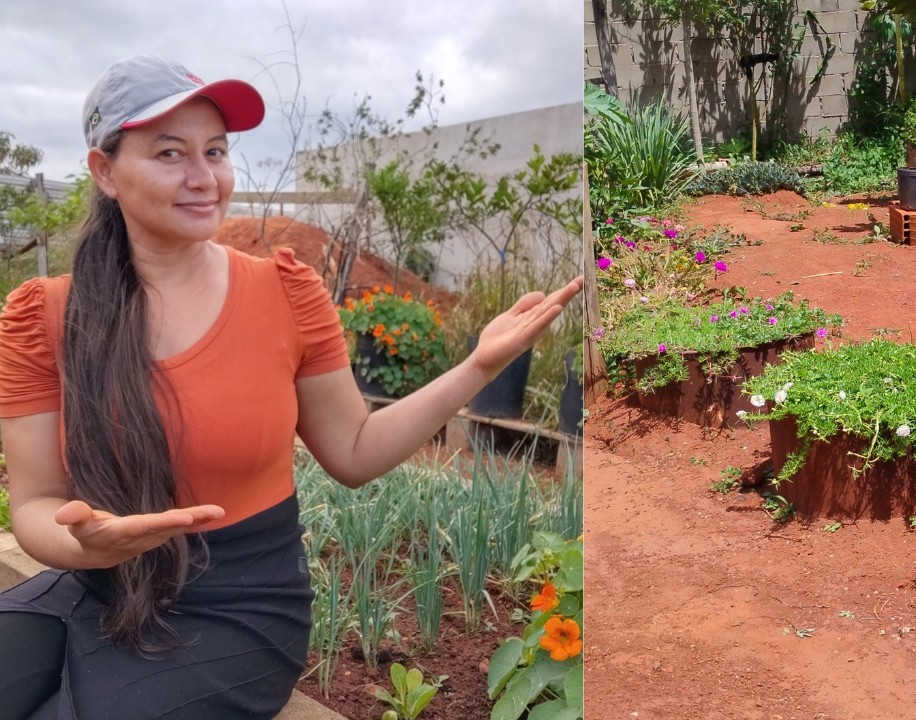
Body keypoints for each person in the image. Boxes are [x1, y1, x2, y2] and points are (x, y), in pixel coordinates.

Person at [0, 55, 583, 720]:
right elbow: (37, 504)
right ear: (105, 172)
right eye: (170, 153)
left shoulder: (282, 291)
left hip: (240, 607)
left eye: (215, 151)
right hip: (99, 586)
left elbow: (354, 450)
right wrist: (83, 545)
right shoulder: (43, 316)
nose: (203, 177)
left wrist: (477, 367)